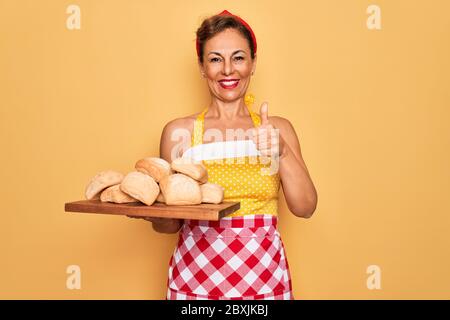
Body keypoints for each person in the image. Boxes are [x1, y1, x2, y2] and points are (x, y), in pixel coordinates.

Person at [132, 9, 317, 300]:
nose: (228, 70)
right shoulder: (178, 133)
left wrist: (280, 151)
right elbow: (170, 225)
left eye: (239, 57)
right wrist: (149, 212)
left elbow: (305, 208)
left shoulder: (277, 129)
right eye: (216, 59)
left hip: (264, 282)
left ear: (253, 63)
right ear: (202, 67)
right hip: (195, 283)